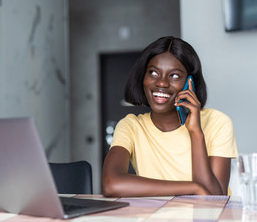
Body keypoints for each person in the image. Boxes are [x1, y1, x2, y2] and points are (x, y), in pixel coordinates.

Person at [101, 36, 238, 197]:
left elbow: (215, 200)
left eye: (174, 75)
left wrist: (196, 133)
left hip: (208, 221)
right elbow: (111, 184)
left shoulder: (218, 122)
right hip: (158, 220)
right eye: (153, 72)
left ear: (190, 83)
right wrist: (192, 188)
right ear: (142, 78)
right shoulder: (130, 126)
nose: (162, 83)